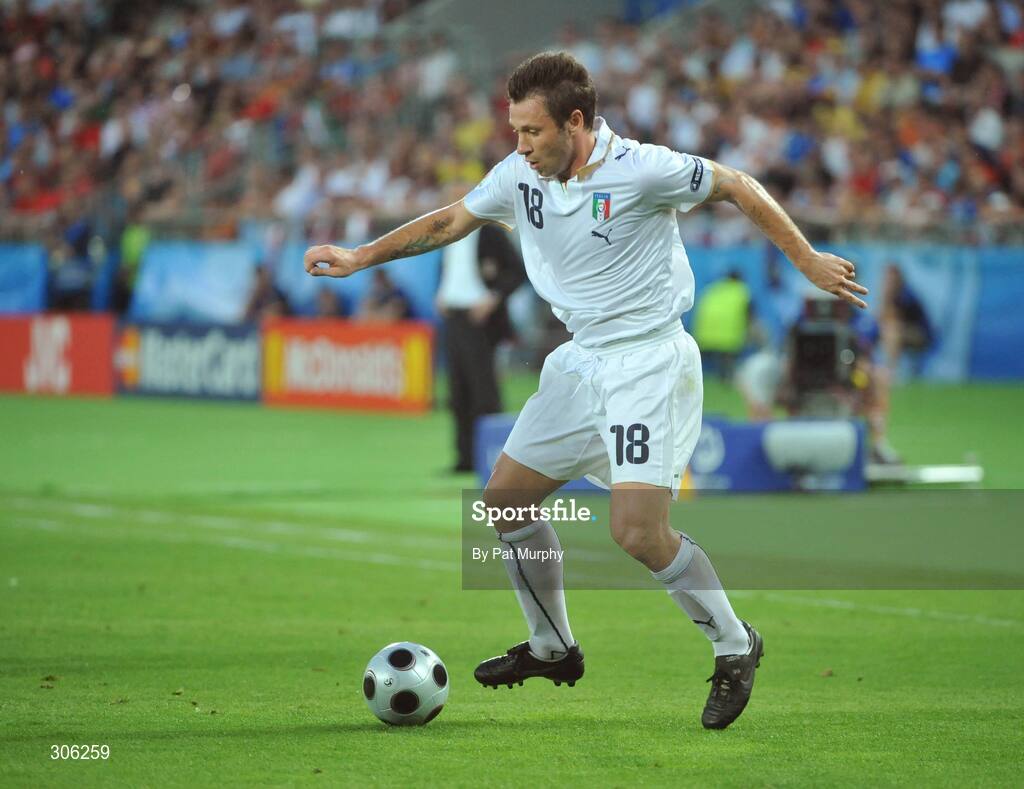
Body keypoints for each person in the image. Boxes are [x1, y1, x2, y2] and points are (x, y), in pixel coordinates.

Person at [304, 52, 867, 730]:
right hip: (581, 361)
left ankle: (735, 643)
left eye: (532, 131)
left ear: (575, 122)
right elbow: (450, 220)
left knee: (636, 531)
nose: (520, 146)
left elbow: (737, 184)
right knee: (505, 502)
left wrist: (805, 258)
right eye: (514, 130)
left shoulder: (643, 169)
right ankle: (553, 646)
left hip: (648, 362)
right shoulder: (519, 176)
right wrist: (361, 256)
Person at [437, 220, 526, 473]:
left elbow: (516, 271)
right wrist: (442, 292)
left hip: (480, 319)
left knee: (483, 390)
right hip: (453, 315)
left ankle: (491, 458)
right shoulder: (450, 230)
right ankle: (465, 458)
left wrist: (493, 298)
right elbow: (449, 270)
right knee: (457, 391)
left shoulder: (490, 232)